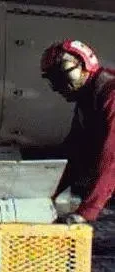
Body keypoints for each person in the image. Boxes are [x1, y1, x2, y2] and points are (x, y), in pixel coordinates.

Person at [40, 39, 115, 224]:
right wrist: (44, 192)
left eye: (62, 76)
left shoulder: (110, 97)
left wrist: (87, 211)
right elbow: (75, 153)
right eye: (54, 80)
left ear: (84, 65)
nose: (59, 87)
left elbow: (111, 158)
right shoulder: (89, 100)